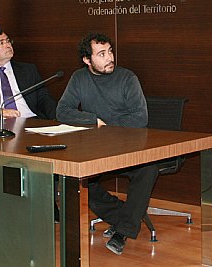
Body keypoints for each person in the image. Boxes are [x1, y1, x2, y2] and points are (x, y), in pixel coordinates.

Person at [56, 32, 158, 256]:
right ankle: (125, 215)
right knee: (71, 178)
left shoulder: (127, 78)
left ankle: (123, 231)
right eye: (101, 54)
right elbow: (62, 111)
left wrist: (106, 125)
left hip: (129, 148)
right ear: (87, 60)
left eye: (110, 51)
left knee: (149, 169)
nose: (109, 58)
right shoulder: (79, 78)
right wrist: (93, 120)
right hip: (97, 150)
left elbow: (140, 118)